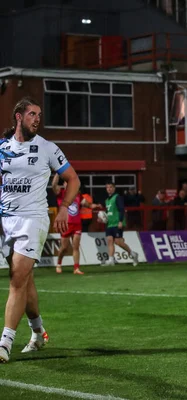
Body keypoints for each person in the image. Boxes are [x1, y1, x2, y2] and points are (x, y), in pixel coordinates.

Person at [0, 97, 81, 363]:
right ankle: (38, 332)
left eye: (39, 114)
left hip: (33, 219)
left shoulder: (47, 148)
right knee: (24, 280)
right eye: (32, 114)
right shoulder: (2, 147)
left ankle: (4, 343)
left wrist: (63, 208)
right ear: (18, 117)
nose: (37, 118)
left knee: (16, 280)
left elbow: (73, 180)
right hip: (5, 221)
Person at [51, 173, 91, 275]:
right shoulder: (61, 193)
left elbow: (86, 204)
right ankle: (59, 263)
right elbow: (53, 185)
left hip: (77, 224)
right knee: (64, 247)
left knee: (76, 246)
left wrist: (93, 205)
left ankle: (76, 268)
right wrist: (57, 173)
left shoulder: (77, 194)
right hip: (65, 224)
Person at [99, 182, 139, 266]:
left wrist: (120, 221)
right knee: (110, 240)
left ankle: (133, 254)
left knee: (118, 242)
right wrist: (101, 218)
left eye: (110, 187)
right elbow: (108, 212)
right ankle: (111, 260)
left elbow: (121, 209)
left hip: (117, 223)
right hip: (109, 223)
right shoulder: (107, 200)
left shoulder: (117, 197)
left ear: (114, 188)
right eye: (107, 187)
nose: (109, 189)